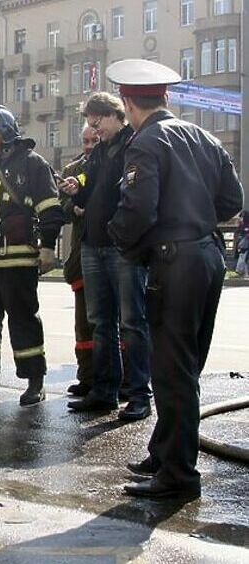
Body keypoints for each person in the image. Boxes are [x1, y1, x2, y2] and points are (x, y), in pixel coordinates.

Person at [105, 59, 243, 499]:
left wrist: (120, 239)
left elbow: (138, 209)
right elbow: (232, 200)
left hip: (175, 263)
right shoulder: (202, 136)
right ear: (165, 98)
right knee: (185, 364)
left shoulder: (146, 141)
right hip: (207, 256)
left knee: (172, 370)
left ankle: (179, 476)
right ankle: (165, 452)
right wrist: (196, 222)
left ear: (128, 103)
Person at [61, 92, 152, 422]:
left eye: (97, 123)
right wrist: (76, 187)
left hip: (121, 248)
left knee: (132, 322)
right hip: (92, 245)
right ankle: (104, 391)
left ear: (116, 115)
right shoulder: (99, 153)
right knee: (100, 323)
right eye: (89, 124)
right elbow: (91, 187)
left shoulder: (135, 145)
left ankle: (140, 395)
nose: (93, 129)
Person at [0, 105, 64, 404]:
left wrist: (47, 246)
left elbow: (51, 209)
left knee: (23, 319)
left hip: (18, 259)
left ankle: (35, 382)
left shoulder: (33, 164)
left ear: (6, 133)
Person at [58, 123, 99, 397]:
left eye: (93, 140)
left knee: (114, 324)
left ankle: (124, 380)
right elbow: (60, 203)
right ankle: (86, 378)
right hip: (82, 254)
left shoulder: (116, 164)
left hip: (112, 252)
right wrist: (74, 207)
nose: (88, 146)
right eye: (84, 141)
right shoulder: (72, 170)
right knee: (83, 322)